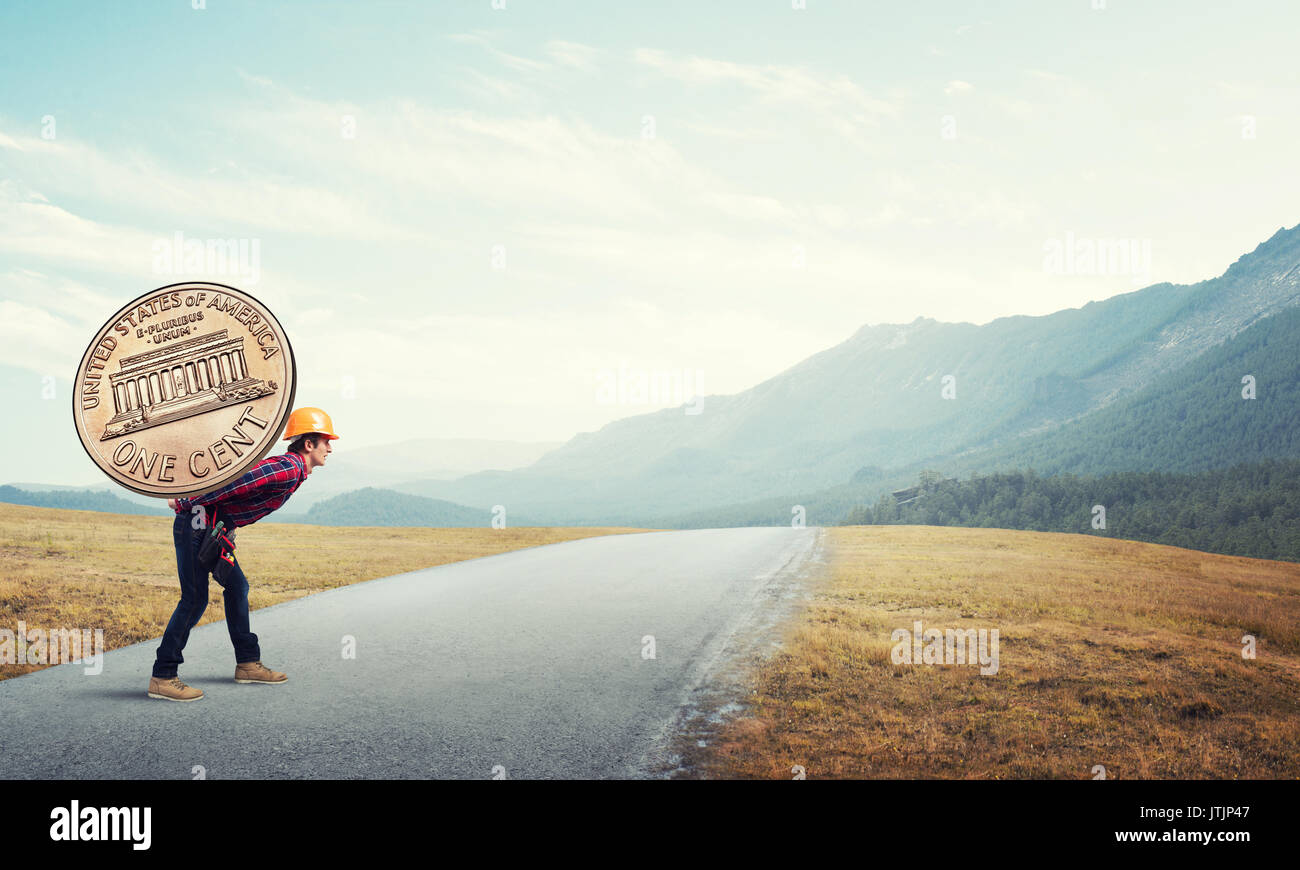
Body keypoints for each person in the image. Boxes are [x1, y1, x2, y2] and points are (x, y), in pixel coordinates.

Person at [147, 407, 339, 702]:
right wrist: (188, 500)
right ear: (309, 444)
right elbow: (239, 482)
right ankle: (163, 676)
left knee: (238, 587)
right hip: (196, 523)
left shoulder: (295, 471)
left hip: (211, 529)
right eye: (326, 440)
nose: (330, 447)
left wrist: (226, 530)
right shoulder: (288, 468)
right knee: (194, 599)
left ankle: (248, 664)